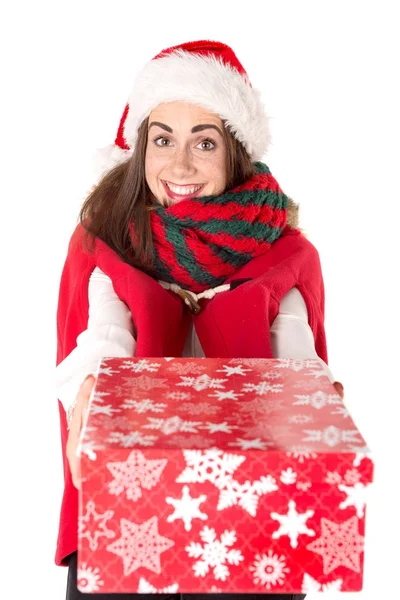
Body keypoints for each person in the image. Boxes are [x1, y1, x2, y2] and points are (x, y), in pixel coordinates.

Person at [55, 40, 344, 600]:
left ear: (235, 154)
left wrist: (316, 404)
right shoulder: (105, 242)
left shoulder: (285, 254)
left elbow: (293, 348)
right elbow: (102, 337)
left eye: (203, 142)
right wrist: (92, 395)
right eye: (162, 139)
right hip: (128, 497)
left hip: (245, 503)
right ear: (141, 149)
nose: (180, 165)